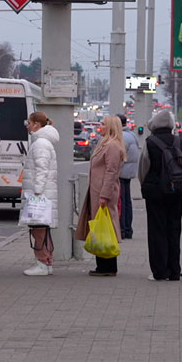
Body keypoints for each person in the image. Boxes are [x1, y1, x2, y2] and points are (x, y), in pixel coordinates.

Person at [138, 110, 182, 281]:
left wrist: (145, 185)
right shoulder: (180, 141)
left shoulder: (150, 142)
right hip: (176, 191)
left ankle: (160, 271)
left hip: (155, 192)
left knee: (157, 230)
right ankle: (174, 270)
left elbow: (143, 166)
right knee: (174, 229)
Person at [76, 115, 125, 277]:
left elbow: (111, 172)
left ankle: (107, 265)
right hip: (97, 191)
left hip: (103, 192)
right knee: (99, 226)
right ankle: (103, 264)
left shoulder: (112, 146)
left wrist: (104, 195)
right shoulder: (105, 144)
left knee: (105, 227)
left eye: (103, 124)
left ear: (110, 127)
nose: (100, 126)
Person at [20, 112, 58, 276]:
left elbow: (42, 169)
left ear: (36, 124)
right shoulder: (44, 142)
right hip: (45, 193)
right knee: (42, 229)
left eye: (28, 122)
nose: (27, 126)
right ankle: (46, 262)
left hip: (39, 194)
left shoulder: (40, 143)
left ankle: (41, 262)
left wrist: (37, 191)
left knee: (38, 230)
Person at [118, 114, 140, 240]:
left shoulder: (121, 137)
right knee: (127, 202)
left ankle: (122, 229)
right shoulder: (131, 135)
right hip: (129, 172)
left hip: (121, 173)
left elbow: (119, 157)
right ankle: (128, 229)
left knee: (121, 202)